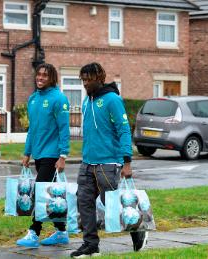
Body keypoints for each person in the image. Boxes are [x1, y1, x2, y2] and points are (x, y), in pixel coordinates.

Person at [70, 62, 148, 258]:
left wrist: (127, 161)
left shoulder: (112, 100)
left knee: (112, 205)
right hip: (87, 162)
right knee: (84, 201)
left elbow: (123, 129)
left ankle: (138, 232)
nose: (85, 83)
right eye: (83, 80)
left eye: (89, 79)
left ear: (99, 78)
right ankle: (90, 245)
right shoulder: (87, 101)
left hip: (108, 162)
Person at [16, 63, 71, 248]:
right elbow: (32, 129)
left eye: (45, 75)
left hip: (52, 155)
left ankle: (34, 233)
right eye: (38, 74)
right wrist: (27, 153)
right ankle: (62, 232)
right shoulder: (33, 99)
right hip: (39, 154)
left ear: (52, 78)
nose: (40, 78)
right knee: (51, 195)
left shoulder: (59, 99)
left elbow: (64, 129)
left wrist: (63, 155)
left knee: (40, 193)